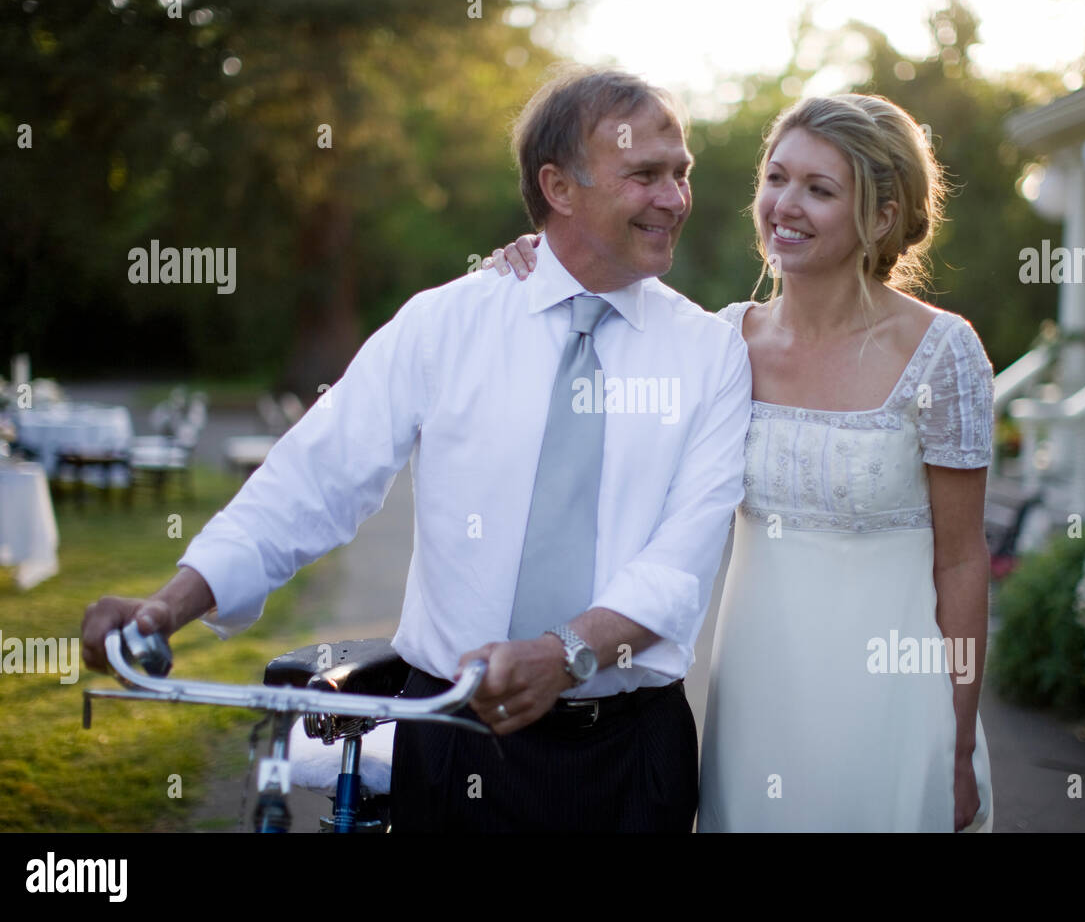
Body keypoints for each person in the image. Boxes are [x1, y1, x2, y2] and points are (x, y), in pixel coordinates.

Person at [80, 67, 753, 832]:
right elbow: (312, 480)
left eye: (681, 174)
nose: (674, 199)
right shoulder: (443, 324)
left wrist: (565, 652)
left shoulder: (712, 354)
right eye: (645, 176)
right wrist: (167, 607)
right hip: (452, 745)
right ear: (560, 188)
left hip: (630, 758)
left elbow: (683, 558)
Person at [488, 93, 995, 831]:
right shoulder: (724, 343)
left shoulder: (942, 354)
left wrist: (954, 744)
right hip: (760, 694)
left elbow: (962, 564)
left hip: (894, 700)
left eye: (820, 190)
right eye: (777, 178)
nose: (785, 205)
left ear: (880, 218)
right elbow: (601, 323)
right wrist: (538, 261)